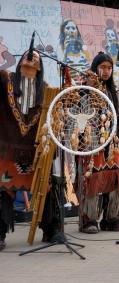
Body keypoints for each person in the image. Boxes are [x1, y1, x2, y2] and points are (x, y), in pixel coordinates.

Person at [0, 50, 60, 250]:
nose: (31, 60)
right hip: (8, 150)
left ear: (40, 66)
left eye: (35, 58)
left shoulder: (46, 90)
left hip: (36, 152)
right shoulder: (5, 80)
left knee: (46, 189)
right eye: (27, 56)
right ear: (19, 63)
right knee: (3, 190)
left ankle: (51, 230)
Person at [76, 52, 119, 234]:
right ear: (95, 68)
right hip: (92, 142)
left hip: (111, 142)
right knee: (92, 179)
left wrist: (118, 138)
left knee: (115, 179)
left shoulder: (115, 91)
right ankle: (88, 220)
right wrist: (89, 90)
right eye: (102, 67)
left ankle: (112, 219)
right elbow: (79, 115)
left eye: (109, 68)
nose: (106, 71)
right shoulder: (84, 88)